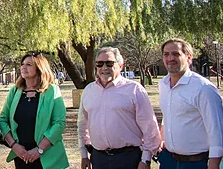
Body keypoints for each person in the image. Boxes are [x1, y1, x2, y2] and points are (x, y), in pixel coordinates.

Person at [77, 47, 160, 169]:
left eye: (109, 63)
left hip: (129, 158)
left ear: (120, 66)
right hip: (99, 158)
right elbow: (82, 125)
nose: (104, 68)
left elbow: (150, 127)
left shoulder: (134, 90)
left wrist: (146, 159)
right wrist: (84, 155)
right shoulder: (89, 91)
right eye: (100, 64)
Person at [158, 38, 223, 169]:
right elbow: (168, 114)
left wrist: (214, 163)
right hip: (168, 160)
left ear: (188, 58)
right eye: (166, 54)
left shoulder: (203, 88)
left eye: (176, 54)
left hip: (196, 162)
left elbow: (216, 130)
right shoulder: (163, 84)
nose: (170, 58)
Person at [0, 52, 69, 169]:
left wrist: (39, 150)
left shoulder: (52, 91)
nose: (23, 67)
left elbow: (59, 123)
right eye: (22, 64)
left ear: (39, 68)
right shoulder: (15, 91)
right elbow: (3, 120)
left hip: (47, 156)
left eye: (29, 64)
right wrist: (14, 146)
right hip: (21, 155)